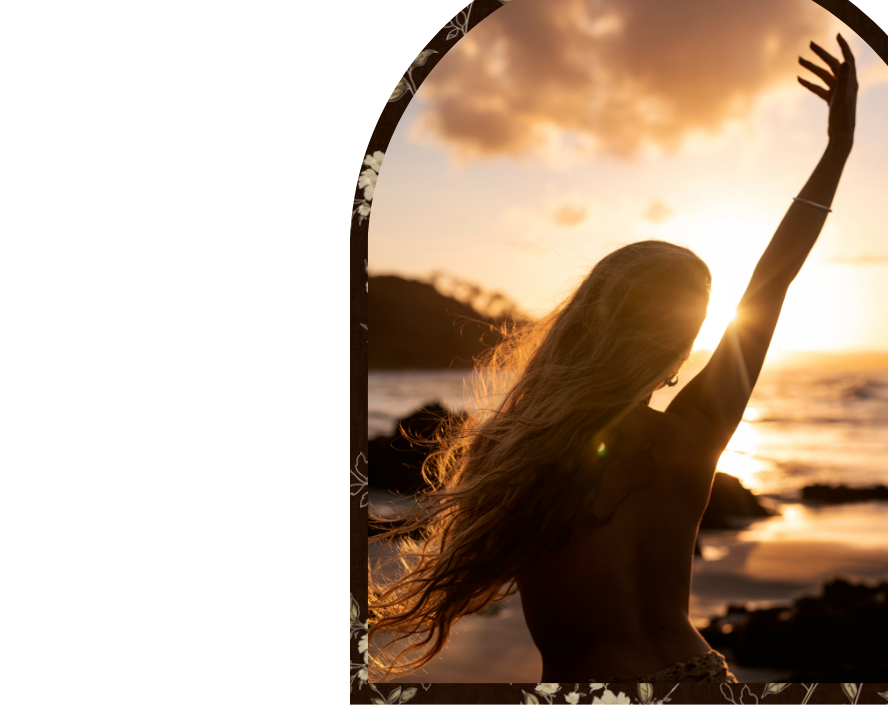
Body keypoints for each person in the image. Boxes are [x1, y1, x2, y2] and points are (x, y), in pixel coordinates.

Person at [368, 34, 859, 684]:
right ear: (679, 350)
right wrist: (838, 150)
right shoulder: (693, 433)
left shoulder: (515, 452)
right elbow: (771, 284)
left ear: (585, 326)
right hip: (701, 679)